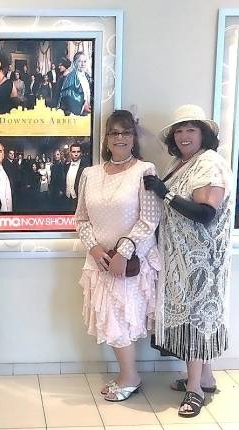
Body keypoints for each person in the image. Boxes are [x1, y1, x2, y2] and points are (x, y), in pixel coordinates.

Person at [144, 104, 232, 418]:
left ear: (203, 133)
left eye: (190, 129)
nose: (183, 135)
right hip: (180, 260)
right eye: (179, 130)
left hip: (201, 263)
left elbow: (206, 213)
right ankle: (205, 377)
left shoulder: (209, 163)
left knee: (197, 322)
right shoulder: (182, 162)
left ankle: (194, 389)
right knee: (194, 319)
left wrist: (165, 193)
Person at [76, 110, 160, 402]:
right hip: (99, 260)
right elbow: (81, 219)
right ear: (107, 138)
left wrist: (123, 253)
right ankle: (127, 374)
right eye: (114, 132)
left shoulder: (144, 170)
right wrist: (95, 248)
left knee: (120, 319)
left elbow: (150, 219)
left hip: (130, 262)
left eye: (126, 132)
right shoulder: (90, 173)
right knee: (109, 318)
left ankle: (130, 376)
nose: (120, 138)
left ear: (134, 138)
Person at [59, 51, 92, 116]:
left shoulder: (87, 76)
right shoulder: (70, 77)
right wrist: (83, 106)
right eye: (80, 61)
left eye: (84, 61)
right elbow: (68, 98)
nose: (83, 64)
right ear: (75, 63)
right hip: (76, 114)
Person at [64, 142, 88, 211]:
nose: (76, 154)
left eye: (78, 151)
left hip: (78, 199)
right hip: (67, 198)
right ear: (70, 153)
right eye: (74, 152)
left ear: (81, 153)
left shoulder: (85, 166)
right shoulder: (66, 166)